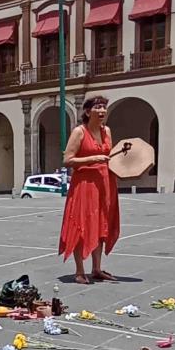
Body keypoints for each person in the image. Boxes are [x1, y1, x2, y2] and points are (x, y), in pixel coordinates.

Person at [59, 95, 120, 284]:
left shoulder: (107, 131)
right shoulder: (79, 132)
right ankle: (79, 270)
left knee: (102, 225)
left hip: (105, 183)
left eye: (104, 107)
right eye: (98, 107)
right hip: (84, 184)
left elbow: (111, 156)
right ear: (87, 111)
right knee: (82, 225)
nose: (102, 110)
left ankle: (96, 268)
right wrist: (92, 159)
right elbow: (67, 160)